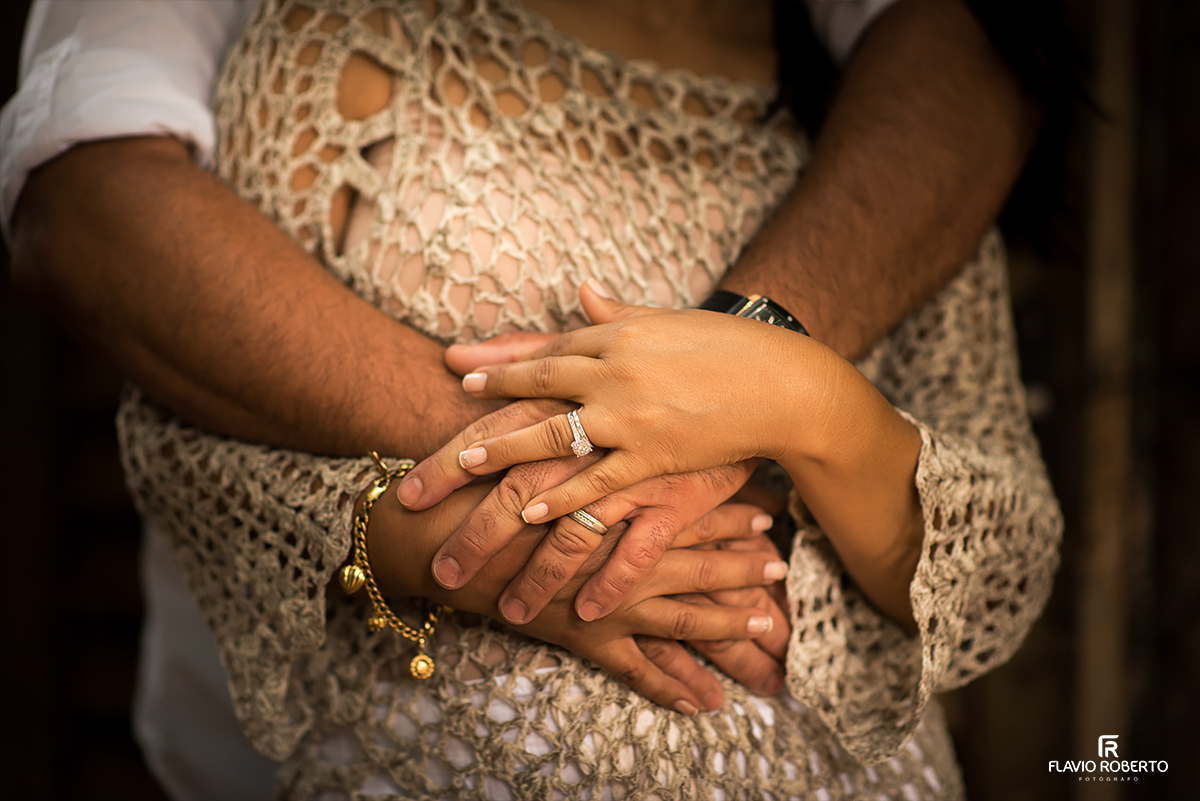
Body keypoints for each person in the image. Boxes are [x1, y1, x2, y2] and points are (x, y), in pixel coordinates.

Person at [4, 0, 1050, 798]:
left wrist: (787, 392)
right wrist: (488, 508)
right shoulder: (326, 63)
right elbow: (175, 405)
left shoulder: (882, 137)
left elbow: (982, 555)